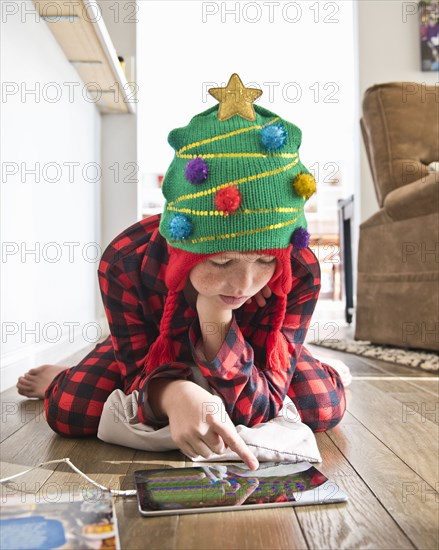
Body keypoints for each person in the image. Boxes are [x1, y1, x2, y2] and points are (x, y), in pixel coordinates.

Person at [17, 74, 346, 471]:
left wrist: (217, 317)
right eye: (221, 261)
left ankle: (310, 359)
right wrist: (174, 394)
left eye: (264, 261)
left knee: (322, 404)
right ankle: (64, 373)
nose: (244, 284)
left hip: (255, 348)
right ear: (180, 245)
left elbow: (258, 409)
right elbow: (139, 370)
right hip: (157, 340)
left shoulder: (300, 268)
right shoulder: (126, 260)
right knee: (70, 408)